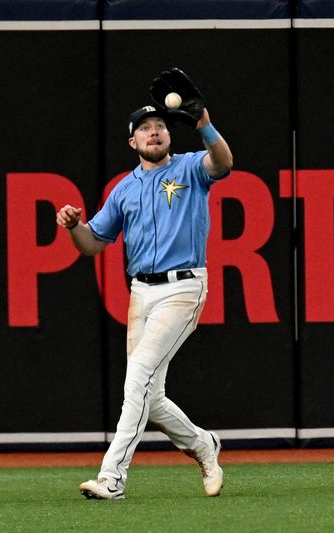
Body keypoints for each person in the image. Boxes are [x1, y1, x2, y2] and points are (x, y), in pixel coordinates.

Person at [56, 69, 233, 501]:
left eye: (159, 126)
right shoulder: (122, 190)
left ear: (169, 136)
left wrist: (205, 123)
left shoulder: (191, 168)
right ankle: (202, 444)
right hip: (142, 294)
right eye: (144, 129)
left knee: (136, 379)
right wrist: (73, 227)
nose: (154, 132)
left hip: (183, 288)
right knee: (149, 397)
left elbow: (224, 163)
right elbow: (92, 244)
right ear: (132, 143)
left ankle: (112, 478)